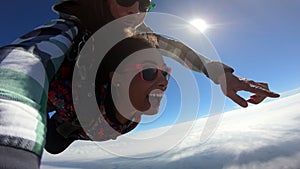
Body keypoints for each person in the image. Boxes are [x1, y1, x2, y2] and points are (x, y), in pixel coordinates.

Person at [0, 0, 280, 168]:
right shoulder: (66, 33)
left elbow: (179, 49)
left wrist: (222, 75)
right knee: (51, 131)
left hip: (95, 122)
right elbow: (24, 62)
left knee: (76, 134)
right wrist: (11, 146)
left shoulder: (141, 40)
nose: (136, 10)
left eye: (145, 3)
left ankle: (67, 129)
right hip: (60, 97)